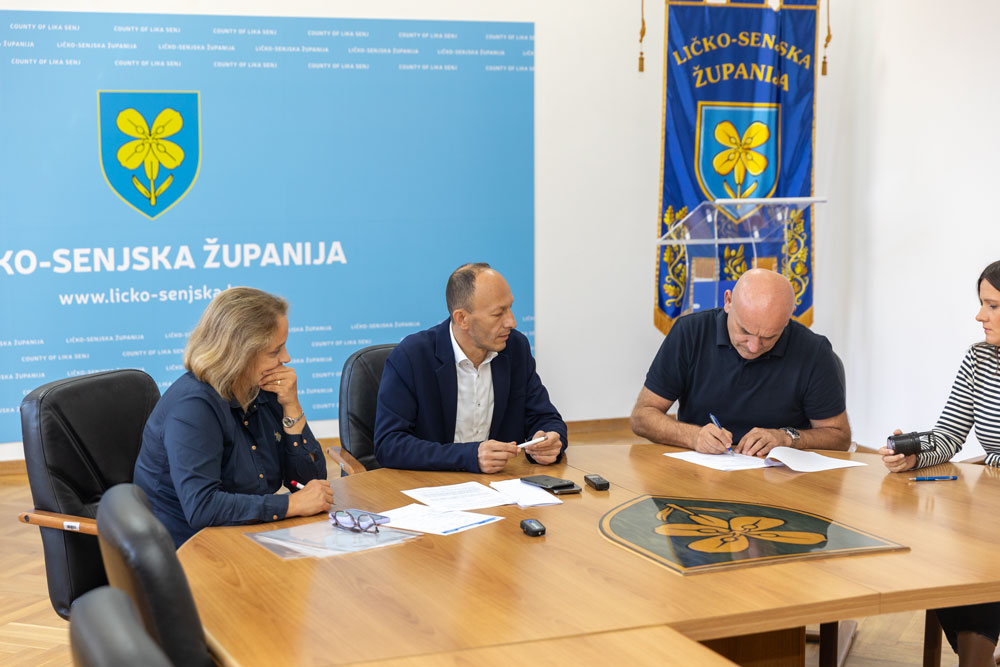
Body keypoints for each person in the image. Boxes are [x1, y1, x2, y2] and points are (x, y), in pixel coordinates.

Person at [133, 287, 332, 547]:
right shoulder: (193, 406)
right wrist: (289, 504)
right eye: (275, 351)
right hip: (187, 548)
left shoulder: (261, 387)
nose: (286, 358)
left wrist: (292, 406)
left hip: (243, 533)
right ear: (241, 353)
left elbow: (309, 484)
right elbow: (202, 507)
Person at [881, 260, 1000, 665]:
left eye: (992, 306)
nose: (980, 316)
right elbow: (948, 435)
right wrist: (913, 455)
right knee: (948, 550)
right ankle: (975, 657)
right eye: (981, 303)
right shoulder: (978, 359)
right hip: (989, 509)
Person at [631, 268, 850, 455]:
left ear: (789, 316)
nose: (753, 347)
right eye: (744, 331)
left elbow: (839, 437)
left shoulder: (813, 351)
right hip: (702, 469)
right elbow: (642, 416)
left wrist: (787, 438)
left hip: (780, 477)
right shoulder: (690, 332)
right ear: (728, 301)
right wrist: (693, 436)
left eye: (769, 337)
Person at [374, 263, 567, 473]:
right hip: (430, 483)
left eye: (510, 308)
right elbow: (389, 445)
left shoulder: (515, 348)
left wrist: (550, 439)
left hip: (501, 485)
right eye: (498, 314)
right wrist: (469, 456)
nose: (511, 322)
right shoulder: (412, 356)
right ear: (462, 319)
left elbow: (546, 417)